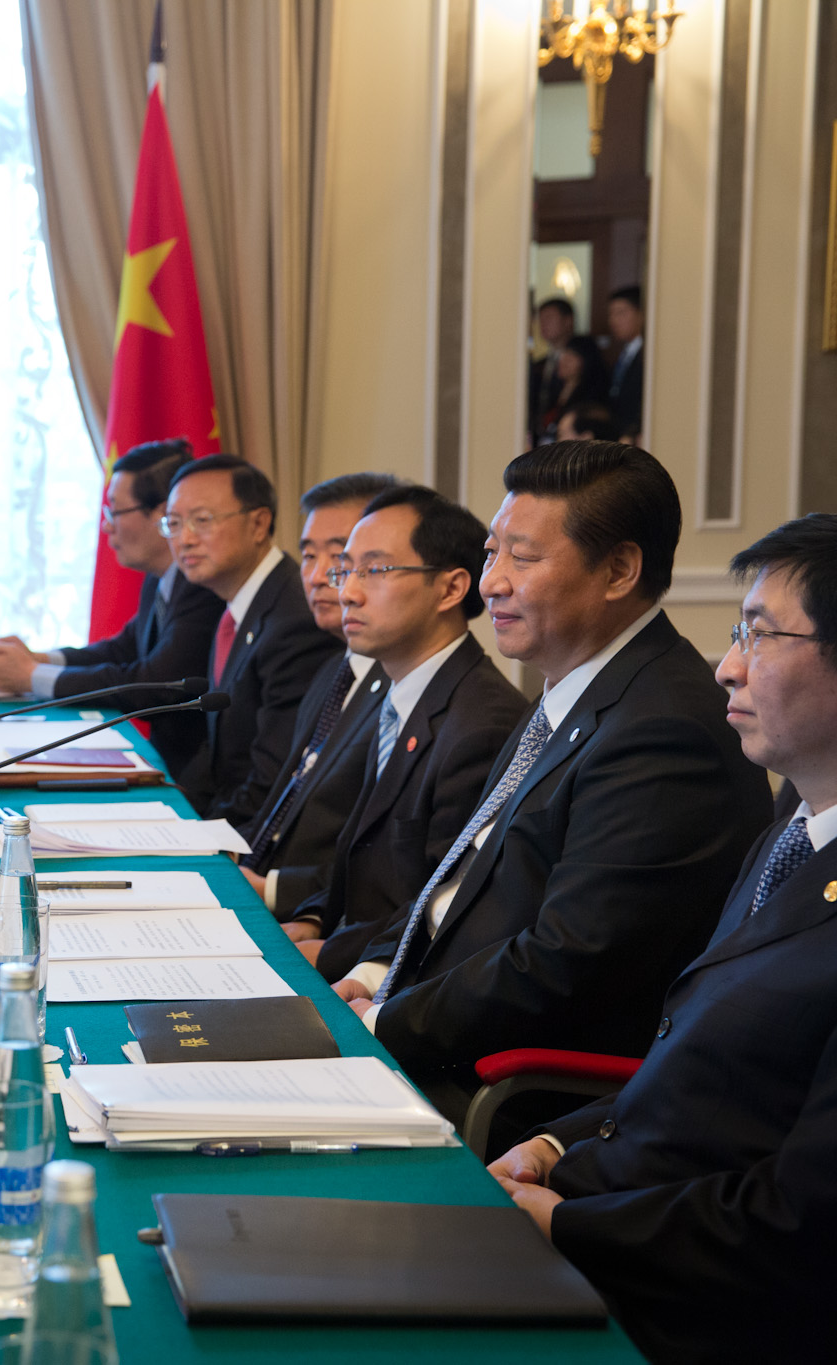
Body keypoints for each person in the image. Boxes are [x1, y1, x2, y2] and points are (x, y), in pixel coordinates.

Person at [333, 442, 772, 1125]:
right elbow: (461, 879)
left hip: (515, 1095)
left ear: (620, 569)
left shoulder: (662, 730)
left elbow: (565, 966)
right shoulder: (574, 691)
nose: (491, 583)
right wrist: (370, 977)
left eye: (523, 558)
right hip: (439, 1029)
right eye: (490, 553)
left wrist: (386, 1019)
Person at [487, 514, 837, 1363]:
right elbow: (701, 1070)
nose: (727, 665)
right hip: (611, 1215)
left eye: (761, 634)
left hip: (685, 1307)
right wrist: (556, 1141)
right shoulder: (795, 828)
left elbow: (797, 1218)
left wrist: (571, 1223)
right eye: (733, 632)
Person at [283, 486, 528, 981]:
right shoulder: (400, 691)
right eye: (345, 569)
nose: (347, 591)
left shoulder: (482, 720)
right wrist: (312, 917)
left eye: (375, 570)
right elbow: (361, 855)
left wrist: (332, 954)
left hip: (396, 977)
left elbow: (442, 894)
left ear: (451, 588)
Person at [0, 440, 224, 775]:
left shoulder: (203, 586)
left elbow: (154, 683)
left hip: (198, 775)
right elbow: (123, 648)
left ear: (161, 514)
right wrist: (40, 659)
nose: (106, 525)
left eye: (115, 511)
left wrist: (30, 676)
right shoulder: (162, 578)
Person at [235, 472, 400, 914]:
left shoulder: (402, 686)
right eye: (309, 555)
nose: (321, 575)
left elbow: (386, 863)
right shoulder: (335, 667)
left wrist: (277, 892)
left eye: (343, 555)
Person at [161, 454, 340, 824]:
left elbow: (271, 779)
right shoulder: (235, 604)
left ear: (259, 523)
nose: (185, 539)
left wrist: (198, 834)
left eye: (202, 520)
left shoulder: (296, 617)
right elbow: (220, 752)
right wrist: (168, 810)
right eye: (175, 524)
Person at [532, 338, 609, 446]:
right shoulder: (552, 389)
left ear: (586, 360)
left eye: (571, 355)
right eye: (564, 353)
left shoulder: (591, 396)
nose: (564, 360)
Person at [526, 296, 576, 443]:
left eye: (549, 318)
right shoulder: (540, 363)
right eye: (540, 319)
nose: (543, 324)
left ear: (568, 321)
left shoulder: (584, 357)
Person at [604, 284, 644, 440]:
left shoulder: (647, 355)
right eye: (611, 314)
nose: (613, 320)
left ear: (641, 314)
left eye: (621, 313)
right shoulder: (623, 353)